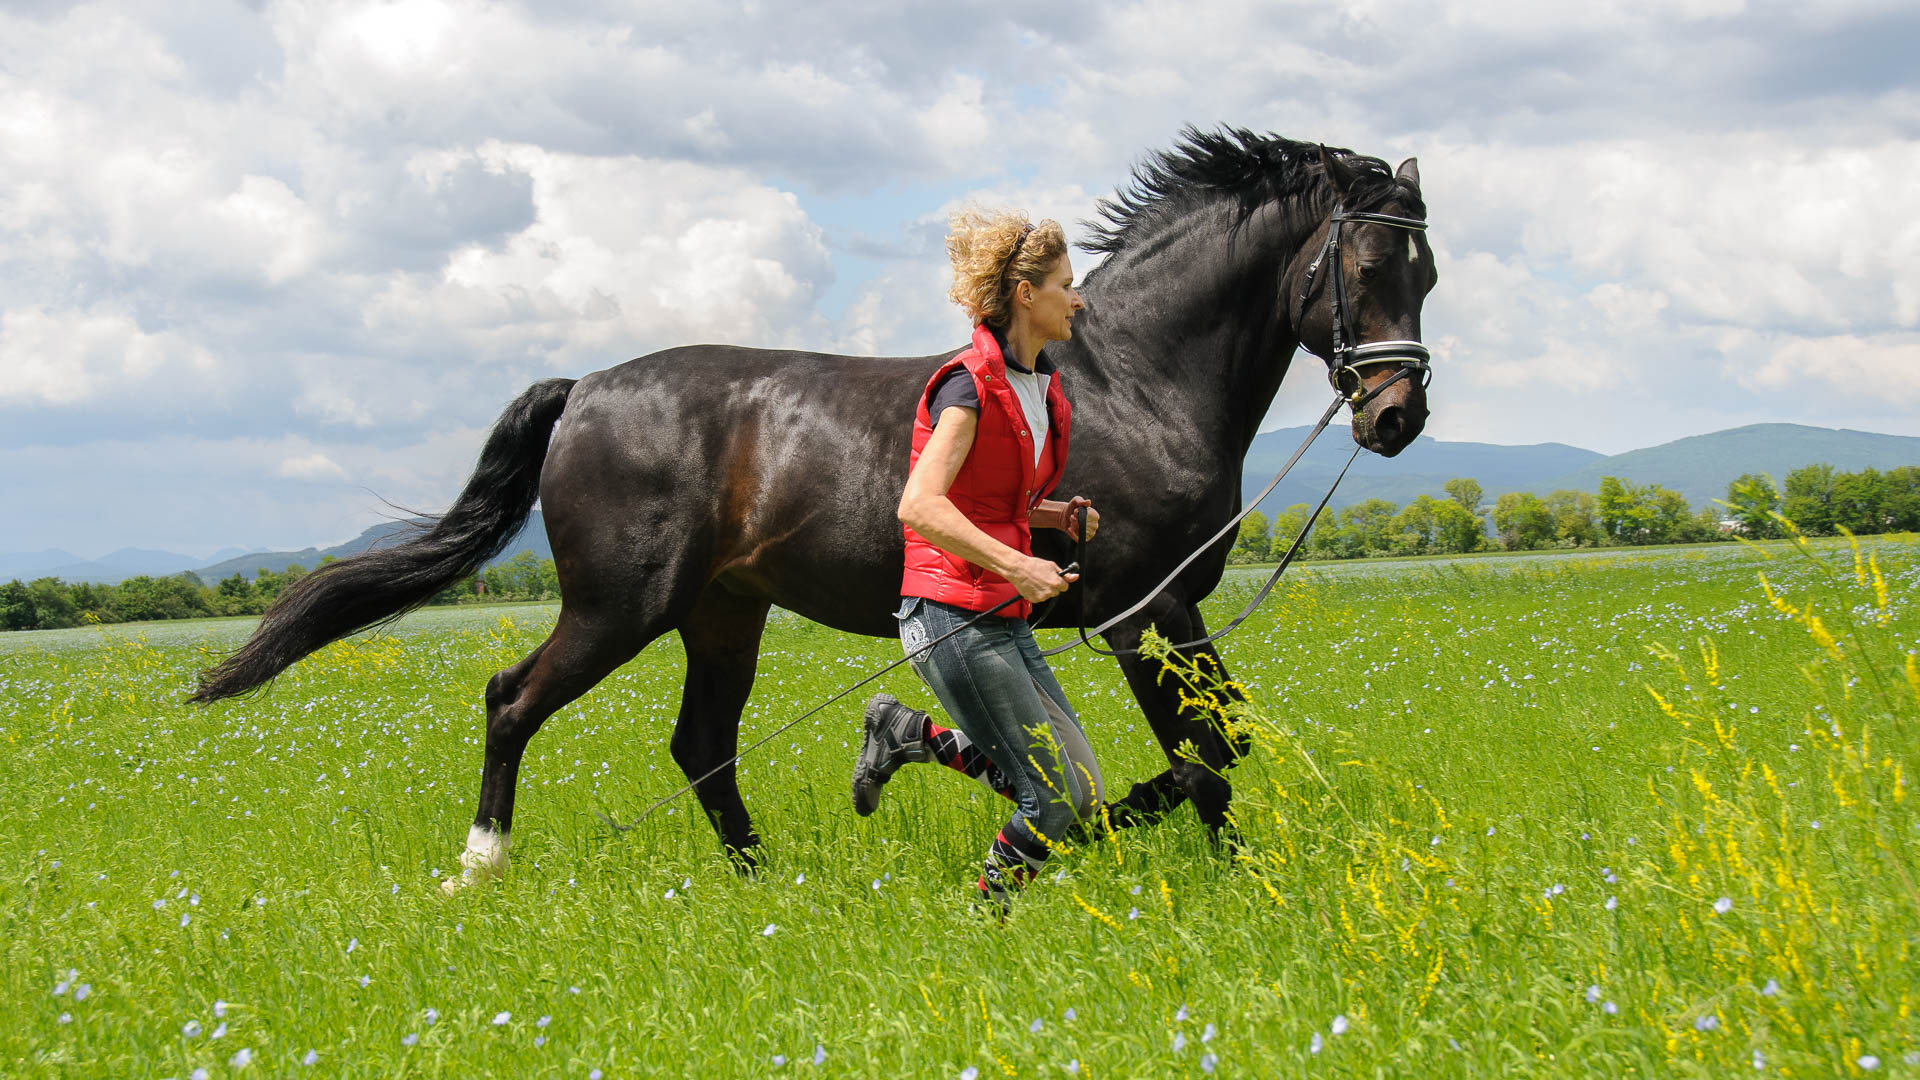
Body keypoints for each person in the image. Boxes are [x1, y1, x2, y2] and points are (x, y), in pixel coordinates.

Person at [852, 208, 1104, 911]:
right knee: (1052, 800)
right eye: (1065, 284)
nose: (1076, 298)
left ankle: (905, 734)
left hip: (1000, 611)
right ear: (1027, 294)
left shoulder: (1040, 388)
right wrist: (1022, 565)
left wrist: (1055, 517)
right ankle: (985, 919)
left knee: (1082, 793)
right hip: (949, 614)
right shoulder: (966, 386)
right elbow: (921, 505)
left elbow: (994, 498)